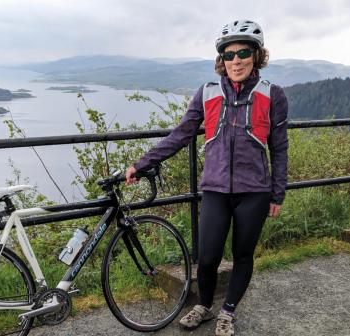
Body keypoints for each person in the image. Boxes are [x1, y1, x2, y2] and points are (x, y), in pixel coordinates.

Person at [125, 19, 288, 336]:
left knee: (243, 254)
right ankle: (204, 306)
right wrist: (142, 164)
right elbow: (180, 135)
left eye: (243, 53)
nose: (236, 61)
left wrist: (277, 193)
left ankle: (227, 311)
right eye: (229, 55)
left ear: (256, 55)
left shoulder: (273, 94)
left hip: (254, 191)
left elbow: (279, 148)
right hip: (215, 188)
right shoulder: (207, 92)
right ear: (221, 60)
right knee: (208, 255)